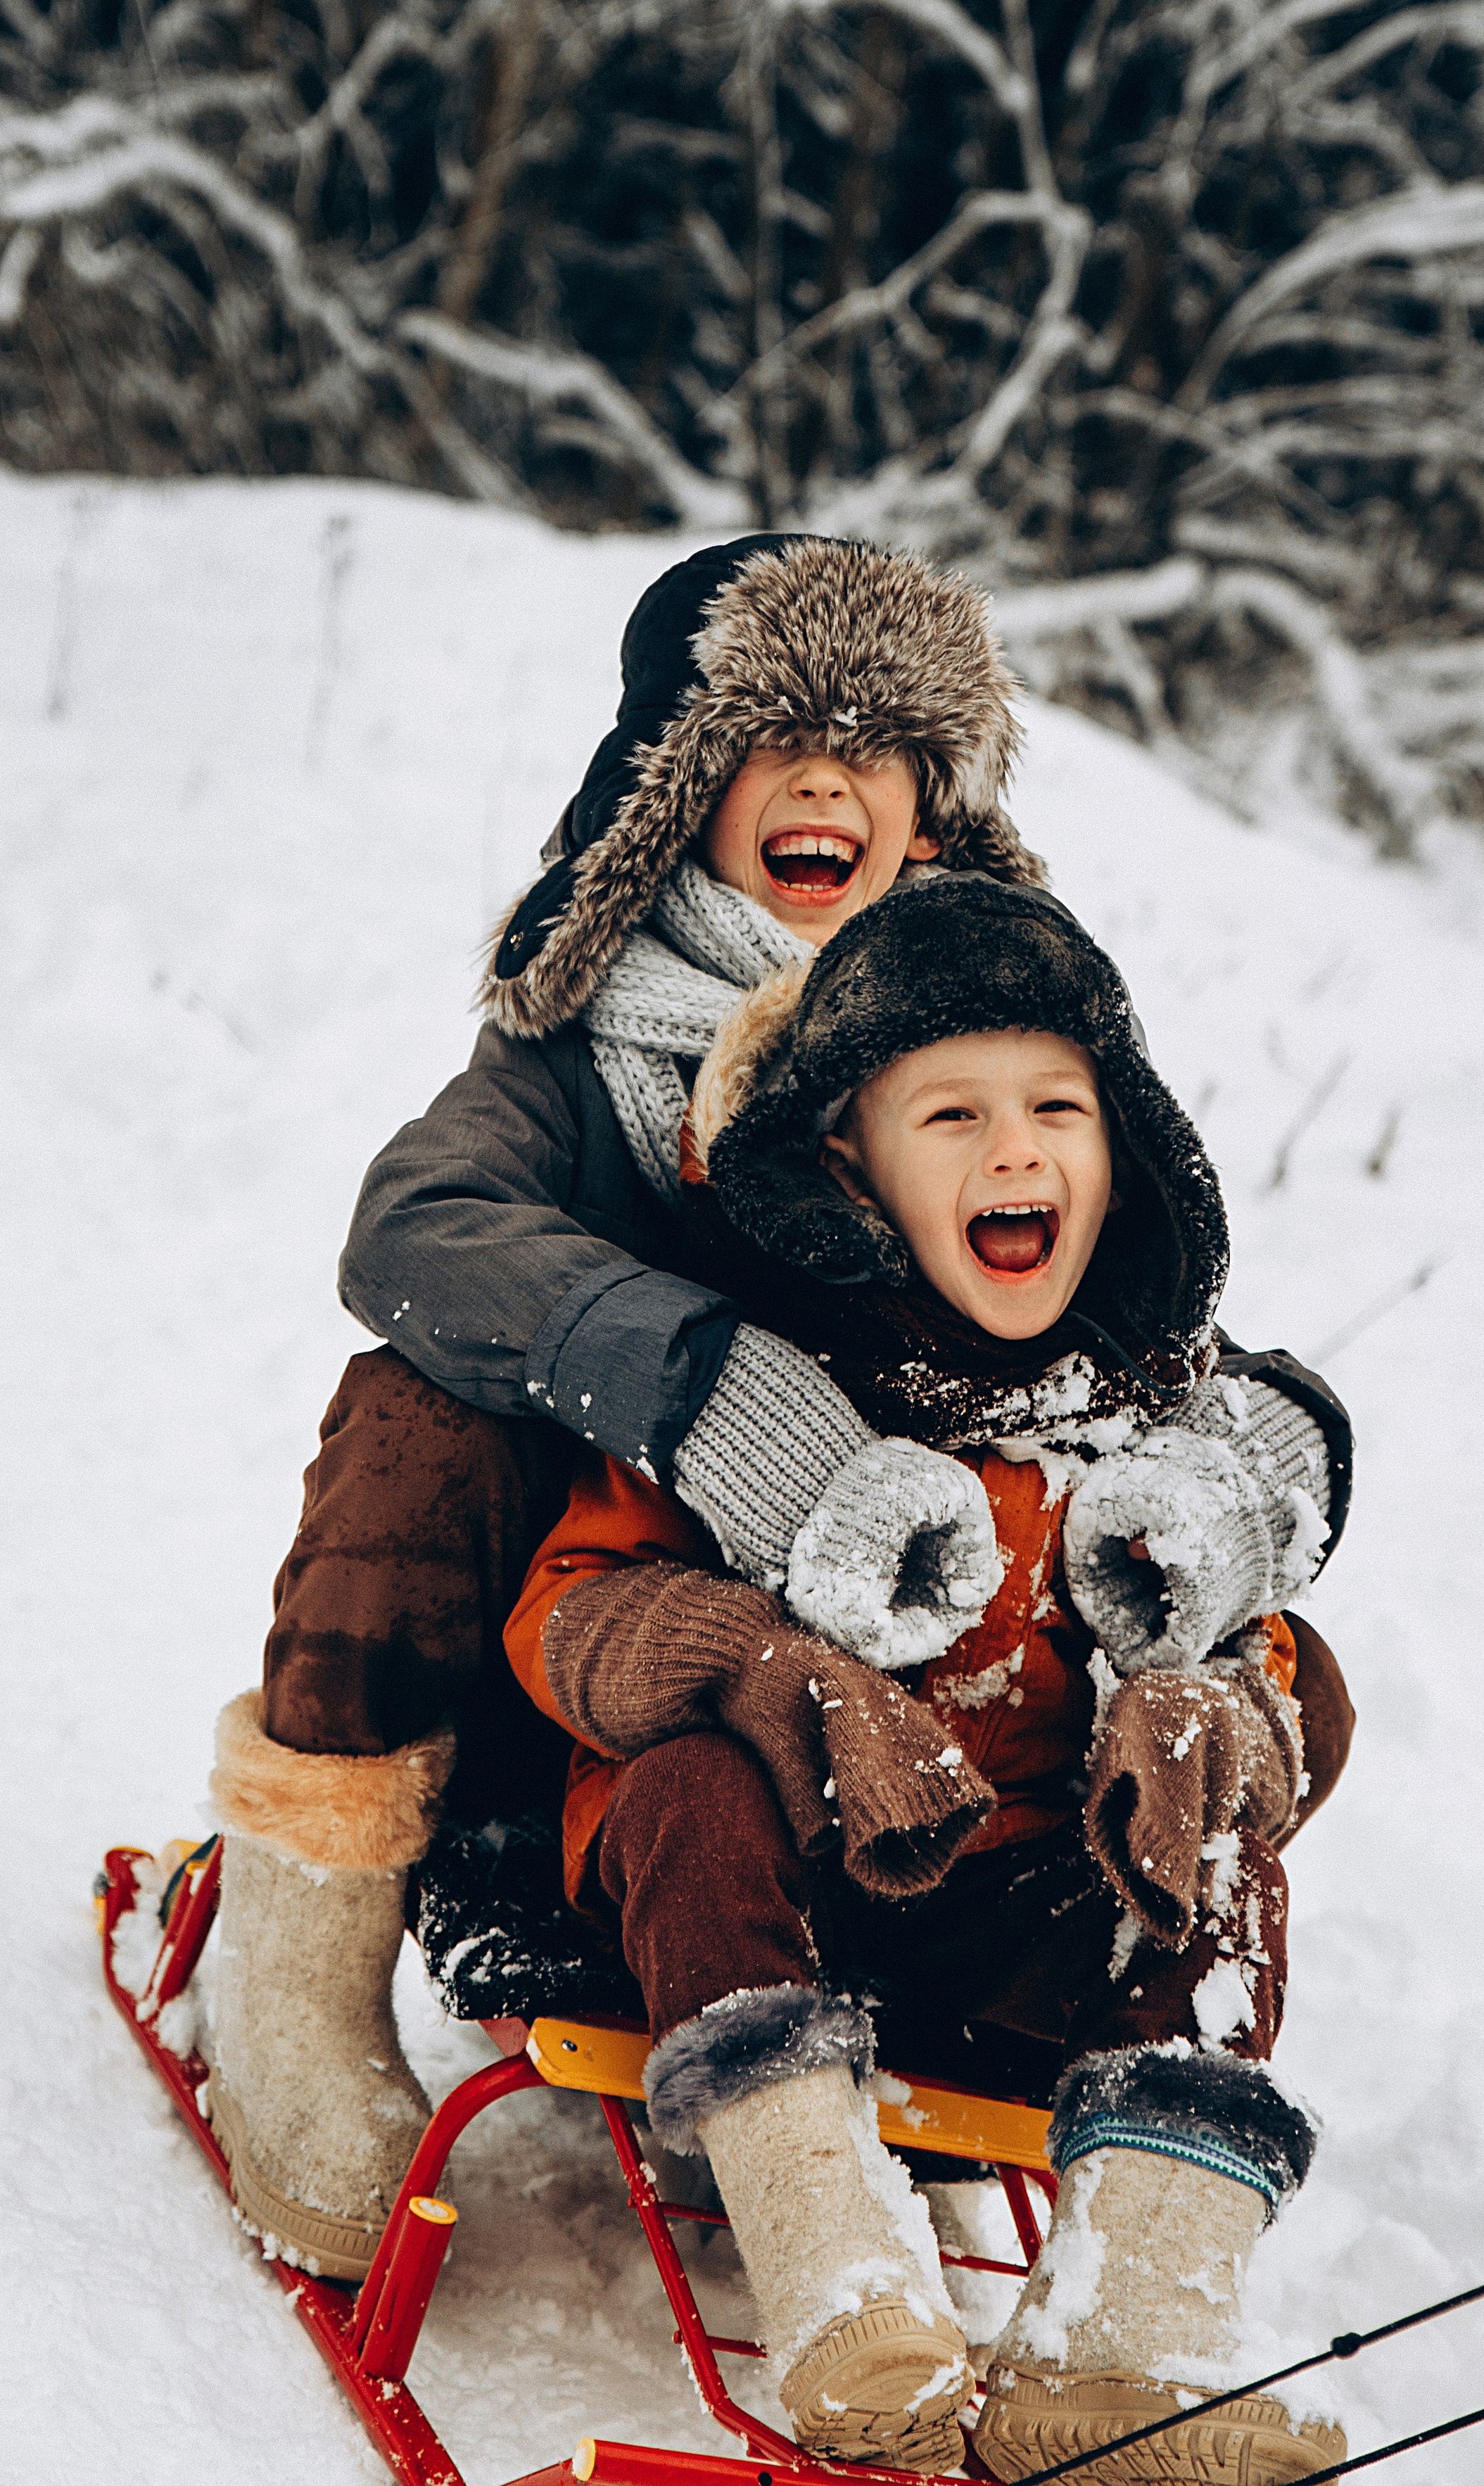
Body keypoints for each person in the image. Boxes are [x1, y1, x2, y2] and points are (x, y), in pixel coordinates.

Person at [201, 532, 1053, 2279]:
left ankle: (934, 1958)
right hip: (569, 1631)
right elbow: (415, 1228)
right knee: (409, 1414)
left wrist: (1260, 1440)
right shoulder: (582, 1040)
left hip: (857, 1679)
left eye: (877, 744)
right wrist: (697, 1376)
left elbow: (1137, 1278)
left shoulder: (991, 1038)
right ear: (677, 781)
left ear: (932, 805)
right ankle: (300, 1976)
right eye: (769, 734)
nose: (825, 779)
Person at [503, 875, 1356, 2485]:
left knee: (1214, 1846)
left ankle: (1121, 2345)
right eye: (949, 1113)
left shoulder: (1157, 1413)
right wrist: (762, 1665)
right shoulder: (766, 1382)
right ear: (848, 1159)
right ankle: (837, 2286)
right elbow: (570, 1616)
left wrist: (1219, 1705)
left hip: (1001, 1917)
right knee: (688, 1786)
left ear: (1125, 1151)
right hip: (748, 1913)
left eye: (1058, 1108)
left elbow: (1281, 1658)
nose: (1015, 1151)